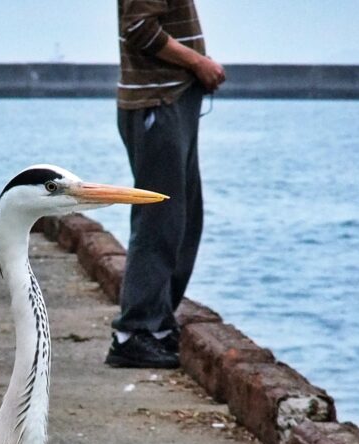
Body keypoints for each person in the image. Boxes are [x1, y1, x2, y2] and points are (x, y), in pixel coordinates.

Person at [106, 0, 225, 369]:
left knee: (183, 220)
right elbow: (139, 28)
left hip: (170, 100)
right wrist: (198, 63)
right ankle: (134, 333)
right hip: (158, 104)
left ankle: (156, 325)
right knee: (159, 221)